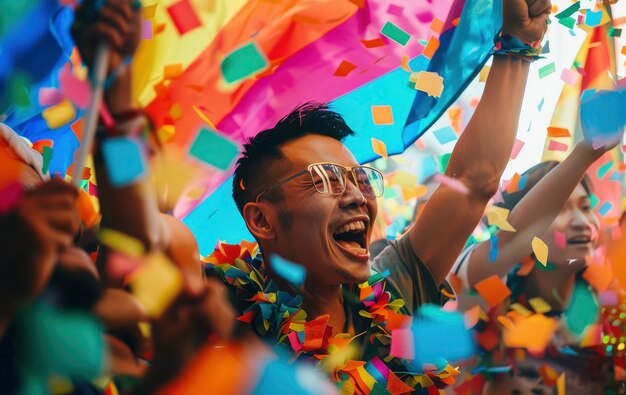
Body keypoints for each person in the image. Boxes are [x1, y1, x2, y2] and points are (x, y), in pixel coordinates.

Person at [204, 0, 553, 391]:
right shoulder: (216, 309)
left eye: (360, 179)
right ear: (261, 220)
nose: (355, 196)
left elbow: (474, 182)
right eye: (327, 178)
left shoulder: (395, 292)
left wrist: (520, 43)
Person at [450, 90, 626, 394]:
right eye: (559, 210)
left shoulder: (612, 309)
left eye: (586, 208)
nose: (582, 222)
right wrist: (588, 148)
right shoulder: (488, 293)